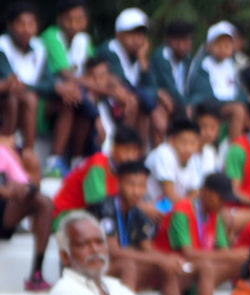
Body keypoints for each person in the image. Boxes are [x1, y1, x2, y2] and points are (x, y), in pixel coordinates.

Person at [90, 160, 200, 295]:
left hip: (117, 269)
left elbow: (147, 250)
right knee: (129, 266)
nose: (137, 191)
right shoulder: (105, 207)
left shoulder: (138, 212)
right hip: (95, 268)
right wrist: (161, 258)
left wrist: (168, 261)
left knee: (165, 269)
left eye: (142, 185)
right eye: (131, 184)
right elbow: (113, 252)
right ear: (118, 184)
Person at [154, 172, 249, 295]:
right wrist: (232, 256)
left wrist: (237, 256)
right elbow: (188, 253)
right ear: (206, 193)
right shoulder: (182, 211)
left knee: (245, 264)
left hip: (198, 267)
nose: (224, 204)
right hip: (174, 270)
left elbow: (224, 250)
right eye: (221, 199)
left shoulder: (215, 213)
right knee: (208, 267)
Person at [1, 2, 82, 178]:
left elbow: (48, 83)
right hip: (9, 105)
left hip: (34, 103)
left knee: (67, 100)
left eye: (31, 24)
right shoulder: (2, 46)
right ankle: (29, 154)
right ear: (10, 26)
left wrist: (42, 87)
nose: (26, 29)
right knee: (27, 98)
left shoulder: (39, 48)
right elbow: (11, 84)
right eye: (21, 24)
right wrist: (47, 87)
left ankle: (54, 160)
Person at [39, 0, 101, 171]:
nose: (74, 25)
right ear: (59, 20)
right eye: (69, 19)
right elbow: (66, 74)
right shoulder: (51, 36)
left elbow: (92, 74)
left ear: (86, 21)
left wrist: (97, 86)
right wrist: (108, 89)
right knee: (71, 101)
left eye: (79, 19)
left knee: (81, 101)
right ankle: (54, 161)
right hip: (45, 99)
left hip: (76, 97)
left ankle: (77, 161)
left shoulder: (83, 40)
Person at [50, 123, 142, 226]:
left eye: (135, 152)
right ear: (113, 148)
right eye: (127, 150)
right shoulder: (98, 164)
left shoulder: (122, 173)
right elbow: (99, 205)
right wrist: (139, 206)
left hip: (87, 217)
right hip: (65, 216)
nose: (131, 157)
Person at [97, 8, 165, 147]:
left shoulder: (138, 57)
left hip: (130, 104)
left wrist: (144, 63)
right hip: (106, 104)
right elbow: (124, 84)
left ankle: (138, 157)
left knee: (145, 106)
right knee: (134, 100)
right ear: (119, 35)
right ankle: (123, 147)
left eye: (141, 34)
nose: (138, 39)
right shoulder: (109, 50)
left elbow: (151, 94)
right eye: (132, 34)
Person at [0, 136, 54, 291]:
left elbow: (30, 186)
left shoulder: (3, 153)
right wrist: (3, 191)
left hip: (3, 218)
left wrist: (21, 189)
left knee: (43, 202)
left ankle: (36, 275)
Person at [185, 22, 247, 142]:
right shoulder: (203, 64)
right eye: (219, 44)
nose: (223, 48)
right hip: (209, 107)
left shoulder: (231, 65)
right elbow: (203, 94)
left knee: (249, 111)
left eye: (227, 44)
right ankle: (233, 151)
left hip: (228, 105)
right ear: (209, 45)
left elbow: (238, 90)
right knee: (238, 111)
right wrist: (230, 103)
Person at [144, 116, 202, 208]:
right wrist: (188, 207)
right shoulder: (164, 153)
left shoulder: (192, 158)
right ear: (171, 140)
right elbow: (170, 195)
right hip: (153, 207)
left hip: (173, 208)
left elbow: (195, 192)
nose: (188, 148)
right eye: (183, 142)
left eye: (193, 143)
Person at [150, 19, 194, 118]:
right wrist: (186, 104)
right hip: (165, 101)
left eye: (185, 41)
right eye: (177, 41)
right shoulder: (161, 57)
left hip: (184, 103)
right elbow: (169, 87)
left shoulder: (189, 60)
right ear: (168, 40)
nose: (181, 46)